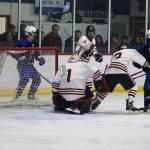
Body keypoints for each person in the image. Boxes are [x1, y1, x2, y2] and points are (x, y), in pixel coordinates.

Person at [8, 26, 45, 100]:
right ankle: (17, 97)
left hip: (30, 65)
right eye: (34, 33)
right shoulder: (21, 42)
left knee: (37, 79)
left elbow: (36, 53)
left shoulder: (35, 42)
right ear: (29, 33)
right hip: (22, 64)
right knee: (24, 80)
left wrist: (39, 58)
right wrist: (19, 57)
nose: (35, 34)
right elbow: (11, 52)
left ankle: (30, 96)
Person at [134, 29, 150, 111]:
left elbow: (136, 56)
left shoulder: (144, 46)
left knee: (147, 85)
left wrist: (137, 64)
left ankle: (147, 103)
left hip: (148, 69)